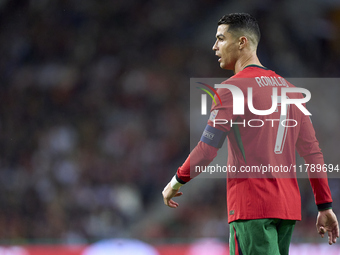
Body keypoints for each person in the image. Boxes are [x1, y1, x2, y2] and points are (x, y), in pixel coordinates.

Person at [162, 13, 339, 255]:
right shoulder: (292, 91)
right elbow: (313, 153)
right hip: (286, 211)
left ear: (242, 42)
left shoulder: (231, 90)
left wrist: (176, 181)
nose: (214, 46)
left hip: (252, 209)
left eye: (221, 39)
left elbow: (207, 149)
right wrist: (324, 205)